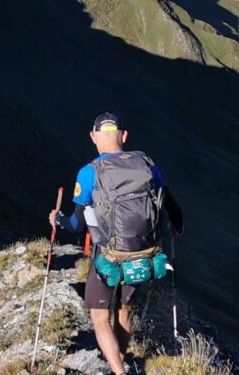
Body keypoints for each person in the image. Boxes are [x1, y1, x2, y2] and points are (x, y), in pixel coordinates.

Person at [49, 113, 184, 375]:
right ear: (124, 136)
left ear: (93, 138)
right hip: (143, 252)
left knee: (99, 317)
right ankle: (119, 360)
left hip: (108, 255)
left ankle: (119, 371)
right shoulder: (145, 162)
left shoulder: (89, 172)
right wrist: (177, 227)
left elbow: (77, 225)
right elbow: (171, 206)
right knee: (124, 311)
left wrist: (58, 220)